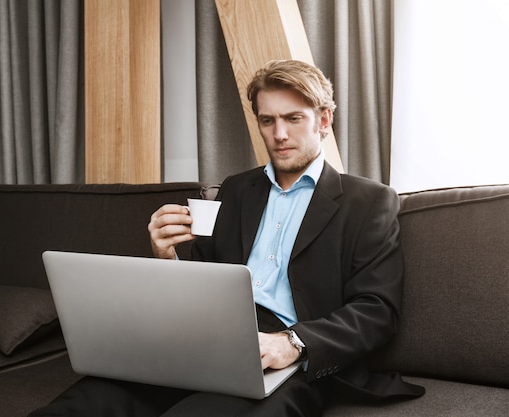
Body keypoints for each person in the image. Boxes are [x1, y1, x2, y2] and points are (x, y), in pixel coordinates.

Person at [29, 59, 423, 417]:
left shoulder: (370, 201)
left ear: (324, 120)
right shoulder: (236, 190)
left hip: (291, 360)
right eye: (267, 121)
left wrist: (292, 343)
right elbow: (203, 280)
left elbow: (377, 310)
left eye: (293, 118)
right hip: (205, 342)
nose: (279, 134)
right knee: (86, 403)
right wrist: (167, 259)